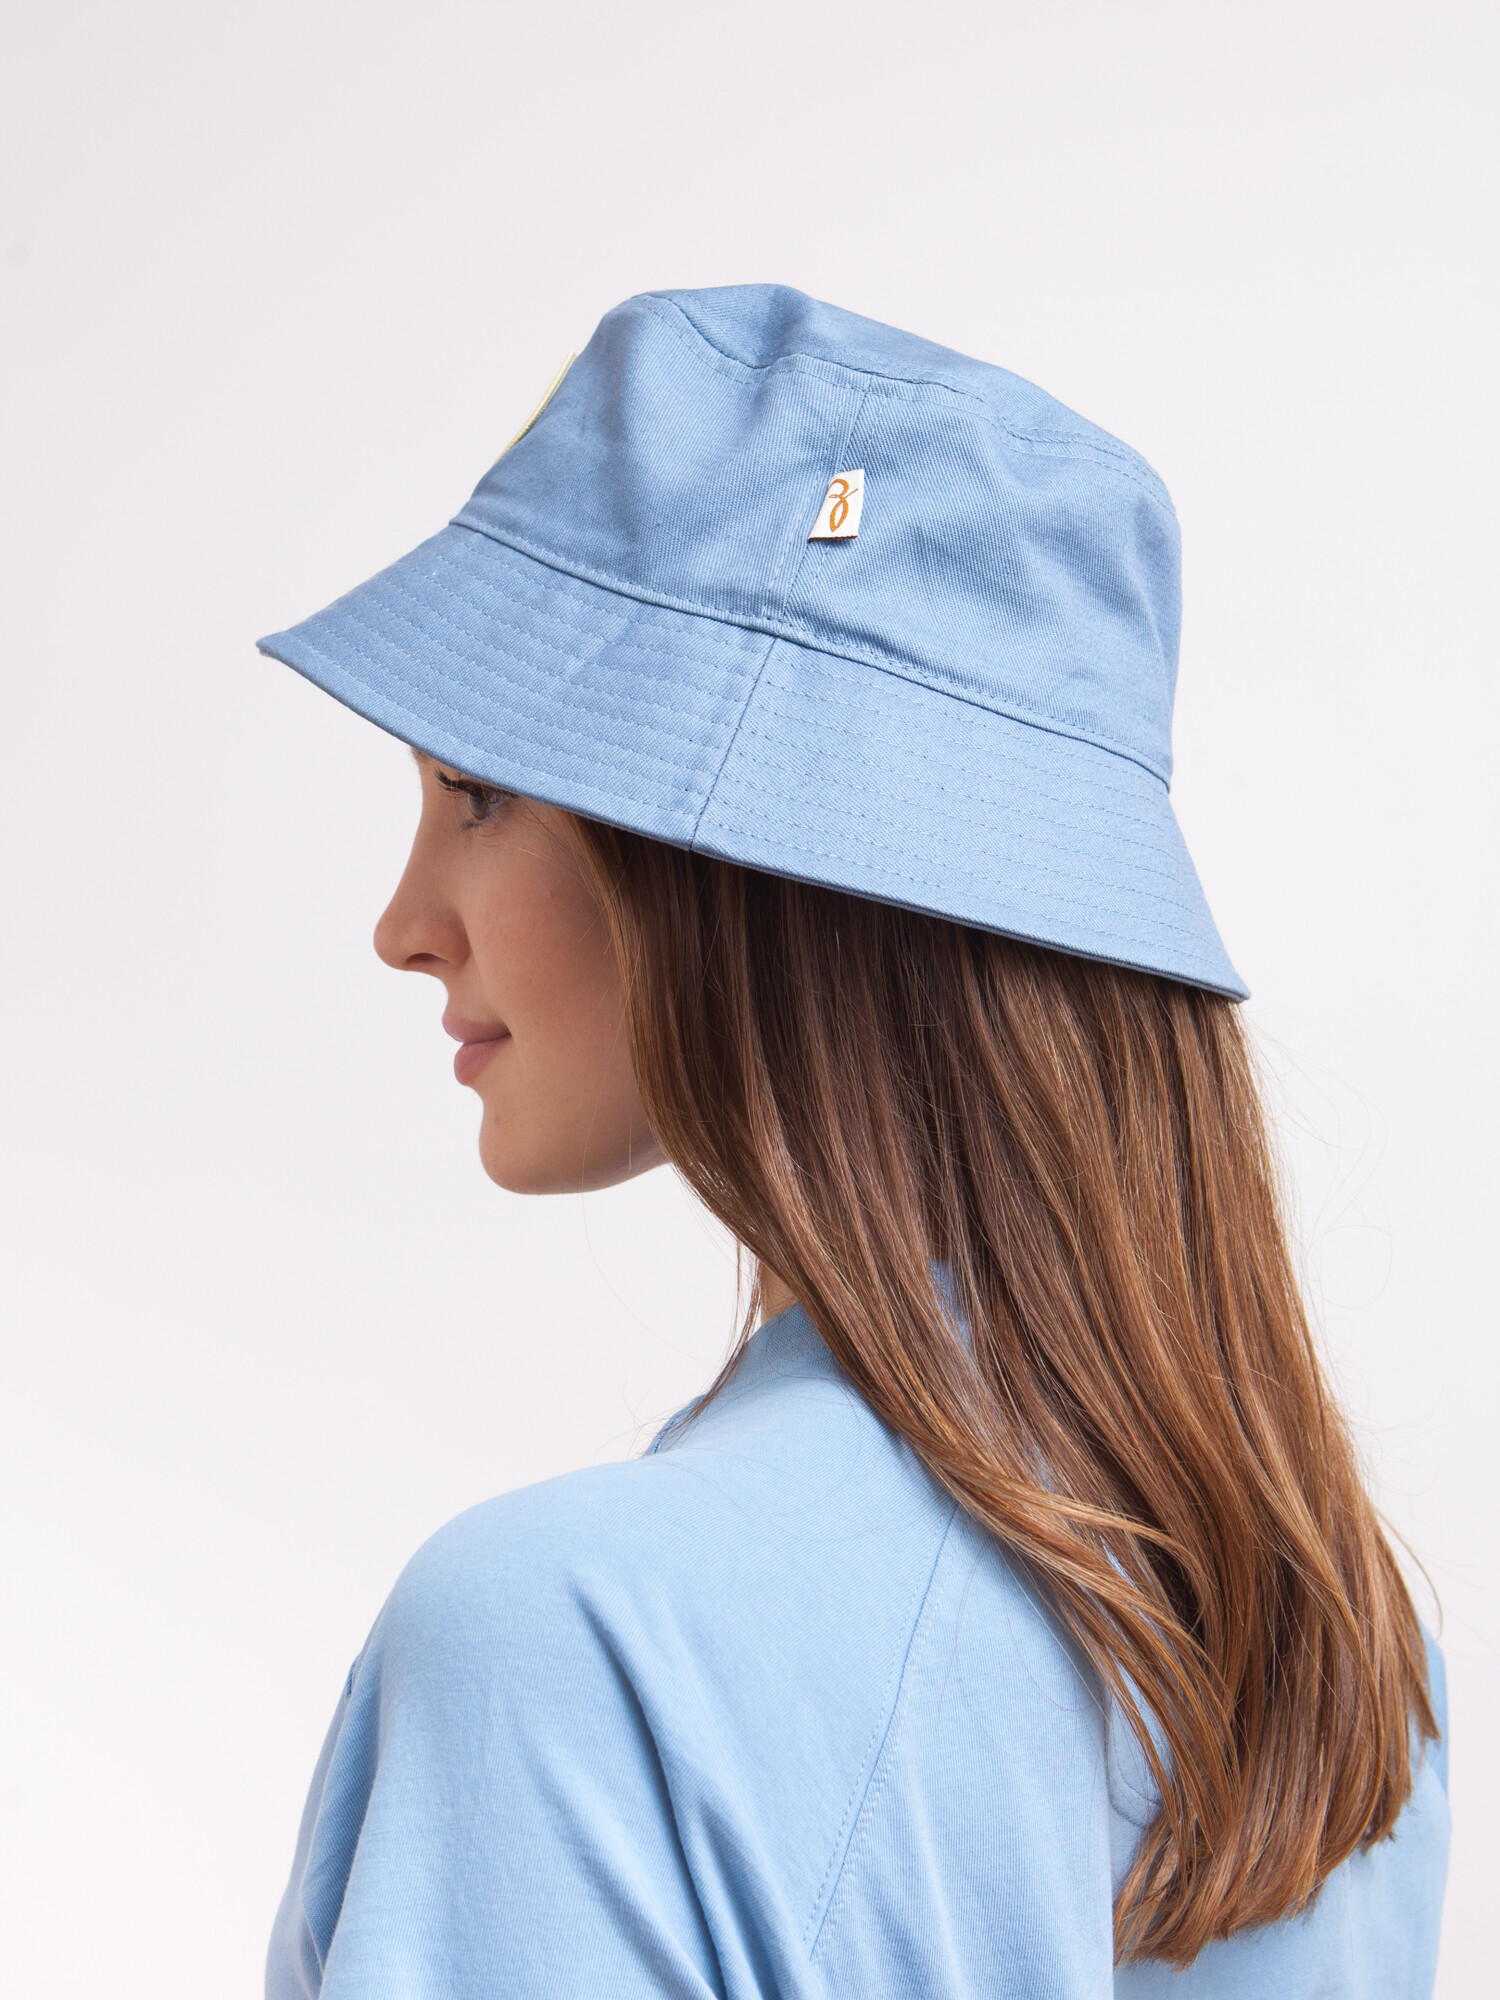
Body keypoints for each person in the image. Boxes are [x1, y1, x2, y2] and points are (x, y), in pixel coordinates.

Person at [257, 285, 1449, 1998]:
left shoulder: (576, 1645)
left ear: (744, 874)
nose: (404, 925)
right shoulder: (1329, 1646)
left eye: (478, 795)